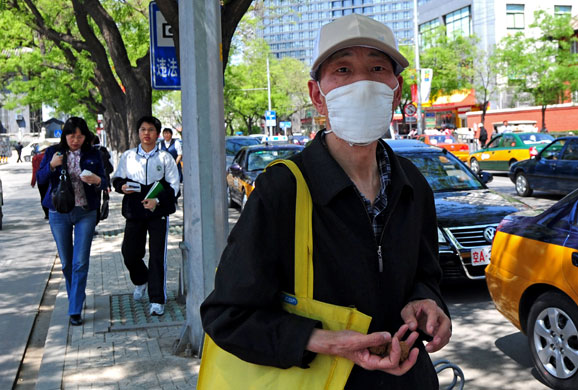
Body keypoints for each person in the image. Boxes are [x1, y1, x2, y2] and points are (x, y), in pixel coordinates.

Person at [201, 14, 451, 389]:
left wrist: (428, 304)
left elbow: (426, 277)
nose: (363, 84)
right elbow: (227, 315)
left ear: (397, 91)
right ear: (318, 95)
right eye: (344, 69)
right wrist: (319, 340)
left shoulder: (412, 184)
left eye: (377, 68)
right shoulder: (282, 189)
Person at [36, 117, 107, 326]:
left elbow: (104, 180)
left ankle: (74, 309)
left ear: (85, 136)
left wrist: (97, 180)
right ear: (64, 135)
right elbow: (39, 179)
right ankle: (77, 295)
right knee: (67, 262)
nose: (75, 140)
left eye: (80, 136)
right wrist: (51, 165)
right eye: (71, 135)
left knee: (80, 262)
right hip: (59, 212)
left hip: (86, 212)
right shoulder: (53, 153)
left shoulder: (93, 153)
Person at [111, 116, 180, 317]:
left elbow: (174, 186)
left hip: (157, 212)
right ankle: (141, 280)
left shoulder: (165, 158)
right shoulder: (129, 156)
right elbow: (117, 179)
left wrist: (157, 201)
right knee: (130, 252)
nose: (146, 133)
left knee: (157, 256)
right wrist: (122, 187)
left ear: (157, 134)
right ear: (138, 133)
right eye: (143, 129)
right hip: (134, 211)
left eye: (151, 130)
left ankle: (157, 299)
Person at [31, 148, 49, 219]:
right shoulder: (53, 156)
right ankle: (52, 211)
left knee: (43, 196)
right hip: (51, 178)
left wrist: (33, 181)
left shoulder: (36, 158)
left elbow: (35, 170)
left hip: (41, 179)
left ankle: (46, 213)